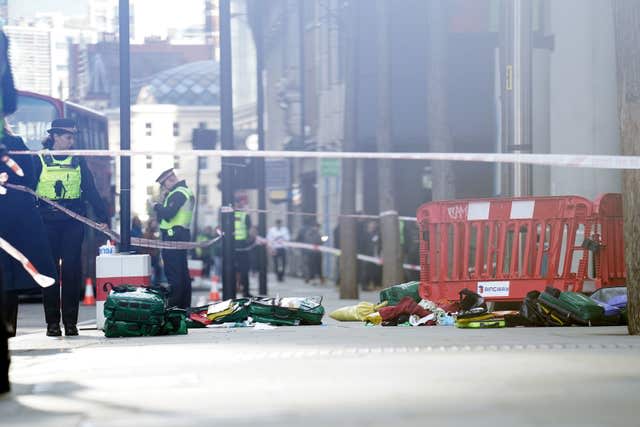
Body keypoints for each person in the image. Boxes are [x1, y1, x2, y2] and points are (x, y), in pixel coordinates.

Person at [34, 119, 109, 337]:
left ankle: (70, 323)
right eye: (68, 136)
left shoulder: (78, 159)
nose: (72, 140)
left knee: (71, 271)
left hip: (73, 222)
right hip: (46, 222)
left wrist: (103, 216)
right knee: (50, 273)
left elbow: (90, 189)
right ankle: (52, 324)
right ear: (55, 136)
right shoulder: (39, 159)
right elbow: (28, 190)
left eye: (73, 136)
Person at [153, 168, 194, 309]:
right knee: (182, 272)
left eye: (163, 185)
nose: (164, 188)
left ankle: (175, 306)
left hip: (173, 236)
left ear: (168, 182)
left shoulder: (178, 193)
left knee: (174, 273)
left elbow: (169, 213)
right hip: (180, 234)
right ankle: (184, 306)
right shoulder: (182, 191)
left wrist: (156, 206)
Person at [233, 200, 252, 296]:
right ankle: (246, 292)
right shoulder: (245, 215)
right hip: (243, 246)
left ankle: (231, 291)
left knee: (232, 270)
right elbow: (250, 229)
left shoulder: (228, 215)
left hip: (231, 247)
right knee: (244, 270)